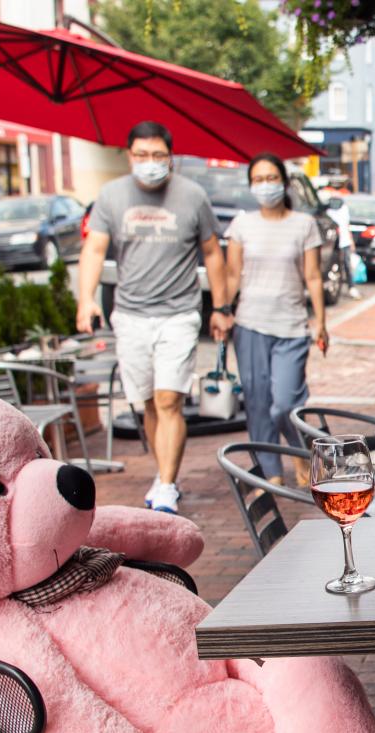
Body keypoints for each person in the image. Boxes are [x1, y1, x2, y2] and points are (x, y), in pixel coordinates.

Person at [77, 121, 230, 514]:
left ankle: (165, 484)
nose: (149, 163)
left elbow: (213, 253)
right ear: (129, 156)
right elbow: (94, 250)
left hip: (178, 314)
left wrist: (221, 307)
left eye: (158, 155)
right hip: (130, 315)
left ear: (171, 157)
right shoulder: (111, 196)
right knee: (147, 402)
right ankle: (165, 473)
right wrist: (86, 300)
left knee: (168, 400)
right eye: (141, 155)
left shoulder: (192, 197)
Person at [223, 152, 328, 486]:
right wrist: (221, 311)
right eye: (258, 180)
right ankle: (270, 474)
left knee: (284, 404)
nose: (265, 186)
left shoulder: (304, 224)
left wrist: (321, 322)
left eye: (271, 178)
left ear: (284, 182)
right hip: (250, 324)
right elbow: (231, 274)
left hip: (292, 326)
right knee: (257, 404)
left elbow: (312, 276)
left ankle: (302, 451)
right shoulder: (241, 225)